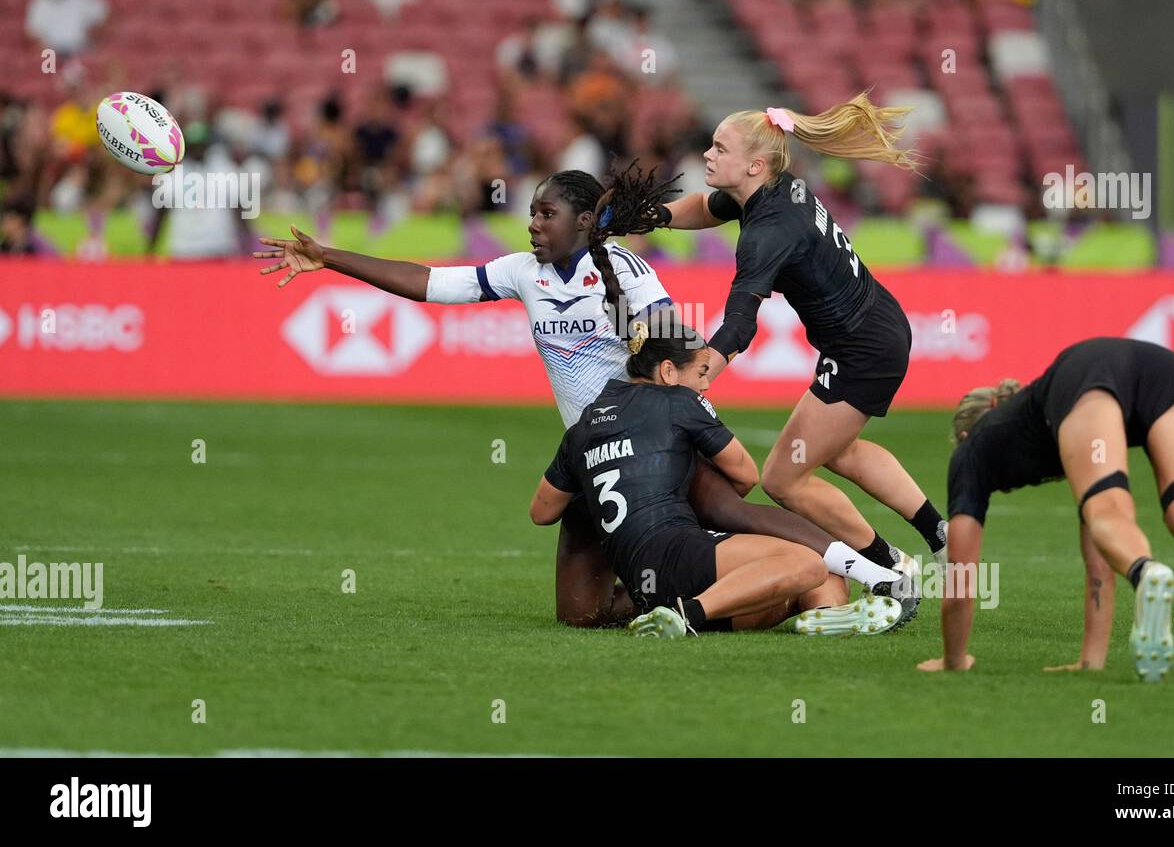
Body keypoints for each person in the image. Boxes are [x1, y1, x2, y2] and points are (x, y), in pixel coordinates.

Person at [254, 167, 900, 627]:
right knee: (581, 613)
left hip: (657, 436)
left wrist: (677, 404)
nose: (533, 224)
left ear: (586, 221)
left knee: (735, 510)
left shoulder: (627, 272)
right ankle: (731, 600)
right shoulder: (519, 272)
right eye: (532, 212)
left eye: (546, 213)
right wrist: (329, 256)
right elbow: (430, 283)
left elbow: (682, 352)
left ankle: (877, 576)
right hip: (593, 449)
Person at [595, 94, 948, 624]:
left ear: (754, 164)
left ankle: (893, 569)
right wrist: (653, 217)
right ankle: (939, 534)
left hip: (862, 349)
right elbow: (708, 207)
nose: (707, 156)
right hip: (875, 328)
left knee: (784, 478)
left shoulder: (767, 232)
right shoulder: (770, 190)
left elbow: (739, 325)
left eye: (719, 148)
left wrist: (691, 383)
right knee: (840, 451)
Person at [918, 337, 1174, 684]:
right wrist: (1091, 660)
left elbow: (961, 579)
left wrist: (953, 659)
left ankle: (1146, 571)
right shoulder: (1048, 425)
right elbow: (1098, 558)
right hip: (1169, 371)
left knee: (1108, 506)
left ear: (965, 435)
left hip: (1089, 376)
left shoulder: (970, 455)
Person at [529, 310, 902, 638]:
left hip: (645, 578)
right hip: (676, 554)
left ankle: (824, 618)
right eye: (702, 372)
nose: (706, 385)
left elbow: (541, 512)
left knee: (823, 581)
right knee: (807, 563)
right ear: (668, 371)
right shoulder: (679, 399)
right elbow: (746, 475)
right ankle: (686, 615)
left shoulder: (581, 427)